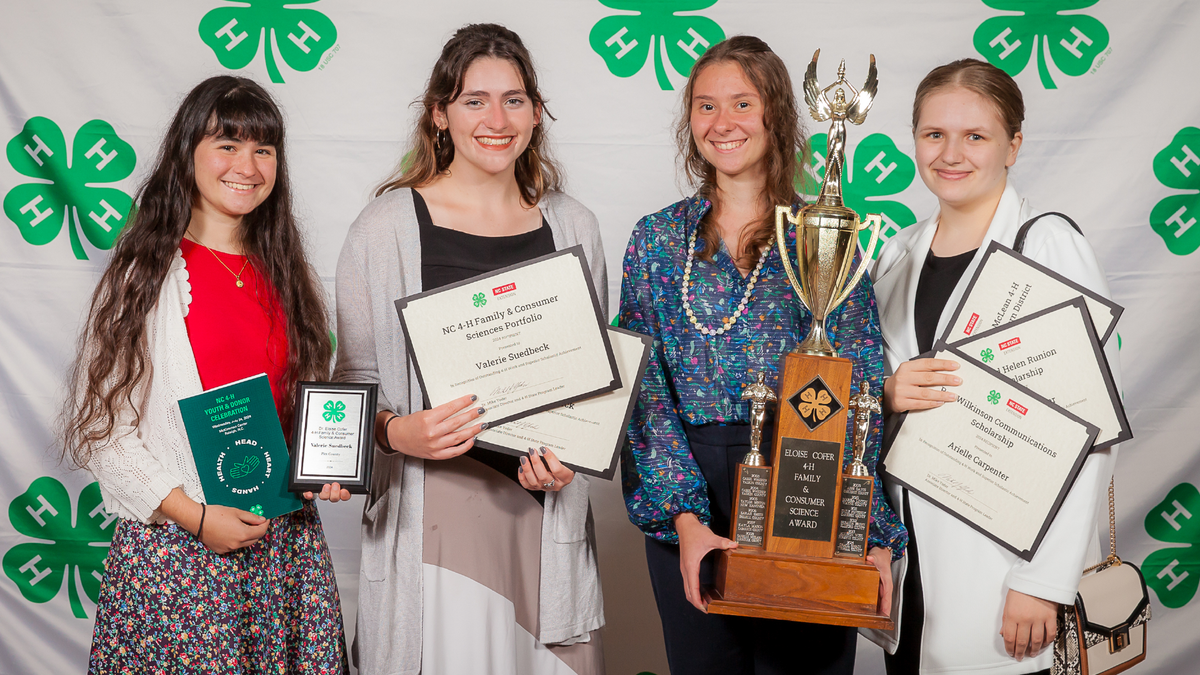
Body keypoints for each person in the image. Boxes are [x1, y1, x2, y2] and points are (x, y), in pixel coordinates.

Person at [618, 35, 906, 675]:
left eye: (742, 104)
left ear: (776, 114)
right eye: (705, 106)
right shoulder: (657, 239)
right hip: (688, 483)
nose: (723, 123)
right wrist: (685, 517)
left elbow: (859, 383)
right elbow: (645, 390)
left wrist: (868, 529)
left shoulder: (825, 235)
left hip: (807, 481)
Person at [332, 23, 605, 675]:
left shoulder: (575, 225)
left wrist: (571, 455)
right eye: (474, 100)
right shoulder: (385, 229)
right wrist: (399, 433)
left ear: (536, 114)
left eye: (513, 99)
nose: (496, 118)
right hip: (434, 523)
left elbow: (591, 387)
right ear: (440, 114)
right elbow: (353, 385)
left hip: (542, 521)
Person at [61, 76, 347, 673]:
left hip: (284, 552)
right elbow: (101, 434)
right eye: (227, 144)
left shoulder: (291, 277)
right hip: (179, 554)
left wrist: (324, 469)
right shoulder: (142, 276)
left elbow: (296, 414)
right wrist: (196, 518)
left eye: (263, 149)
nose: (247, 165)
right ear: (186, 152)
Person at [870, 59, 1119, 674]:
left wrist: (1045, 579)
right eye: (934, 134)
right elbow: (881, 395)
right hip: (913, 566)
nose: (951, 153)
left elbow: (1092, 431)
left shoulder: (1047, 245)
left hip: (1007, 569)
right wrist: (884, 393)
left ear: (1014, 145)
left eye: (975, 136)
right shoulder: (897, 253)